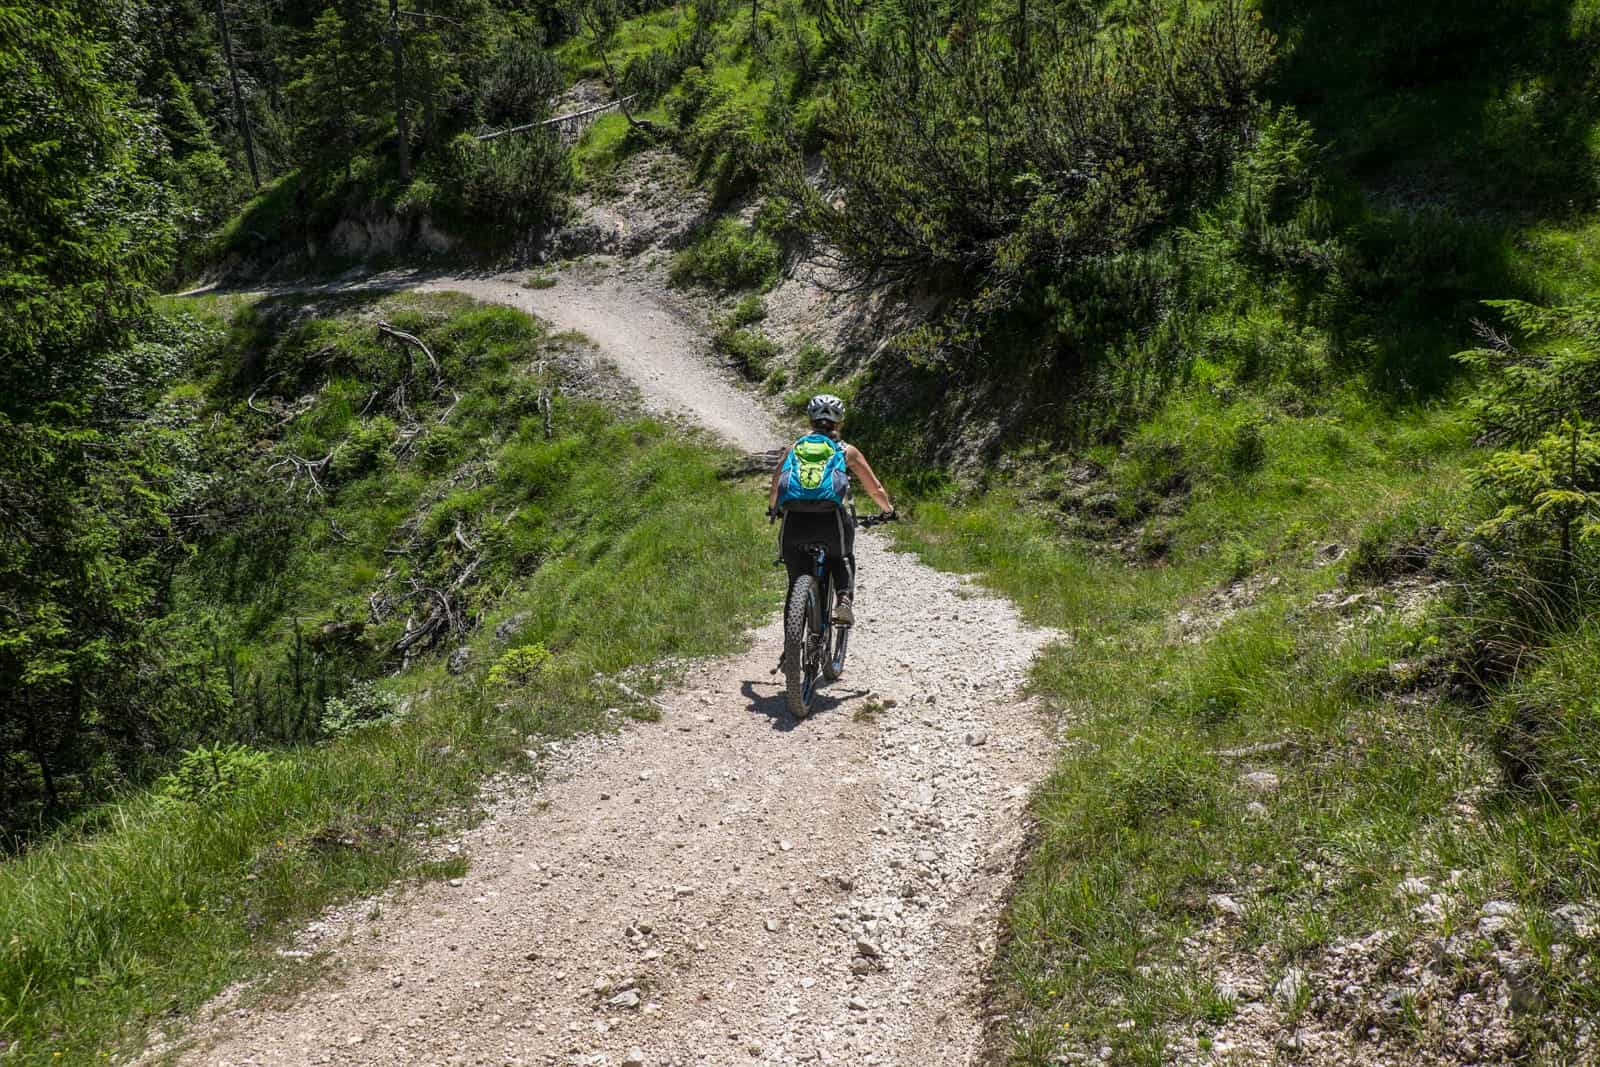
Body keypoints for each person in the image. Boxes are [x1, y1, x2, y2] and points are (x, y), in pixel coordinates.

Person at [768, 394, 895, 625]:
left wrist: (773, 510)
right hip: (830, 521)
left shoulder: (794, 448)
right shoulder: (846, 450)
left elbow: (776, 485)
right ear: (840, 421)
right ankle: (844, 600)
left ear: (810, 420)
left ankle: (793, 642)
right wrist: (888, 511)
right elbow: (875, 489)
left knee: (795, 579)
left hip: (794, 522)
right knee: (842, 555)